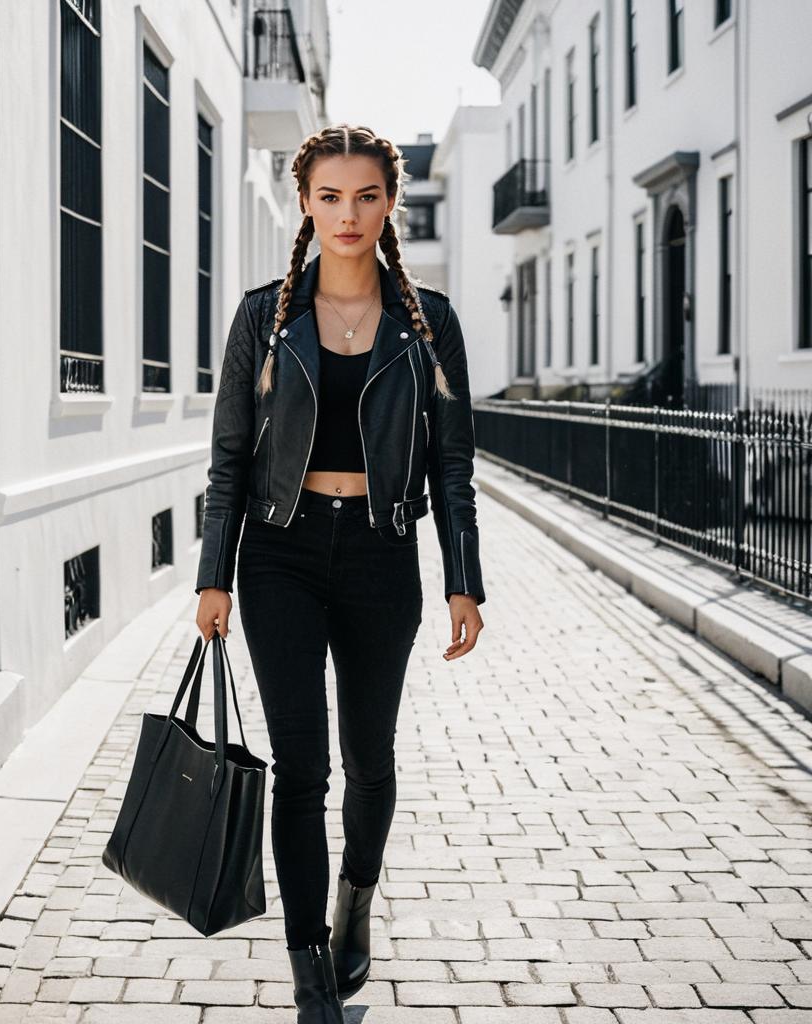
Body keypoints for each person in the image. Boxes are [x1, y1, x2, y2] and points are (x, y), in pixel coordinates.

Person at [195, 123, 486, 1023]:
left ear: (391, 203)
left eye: (366, 197)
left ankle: (354, 899)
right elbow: (231, 461)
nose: (347, 214)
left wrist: (462, 578)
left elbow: (452, 464)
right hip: (279, 554)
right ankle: (307, 962)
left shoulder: (428, 323)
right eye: (330, 197)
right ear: (306, 204)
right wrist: (214, 577)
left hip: (380, 552)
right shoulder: (262, 318)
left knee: (369, 760)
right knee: (301, 768)